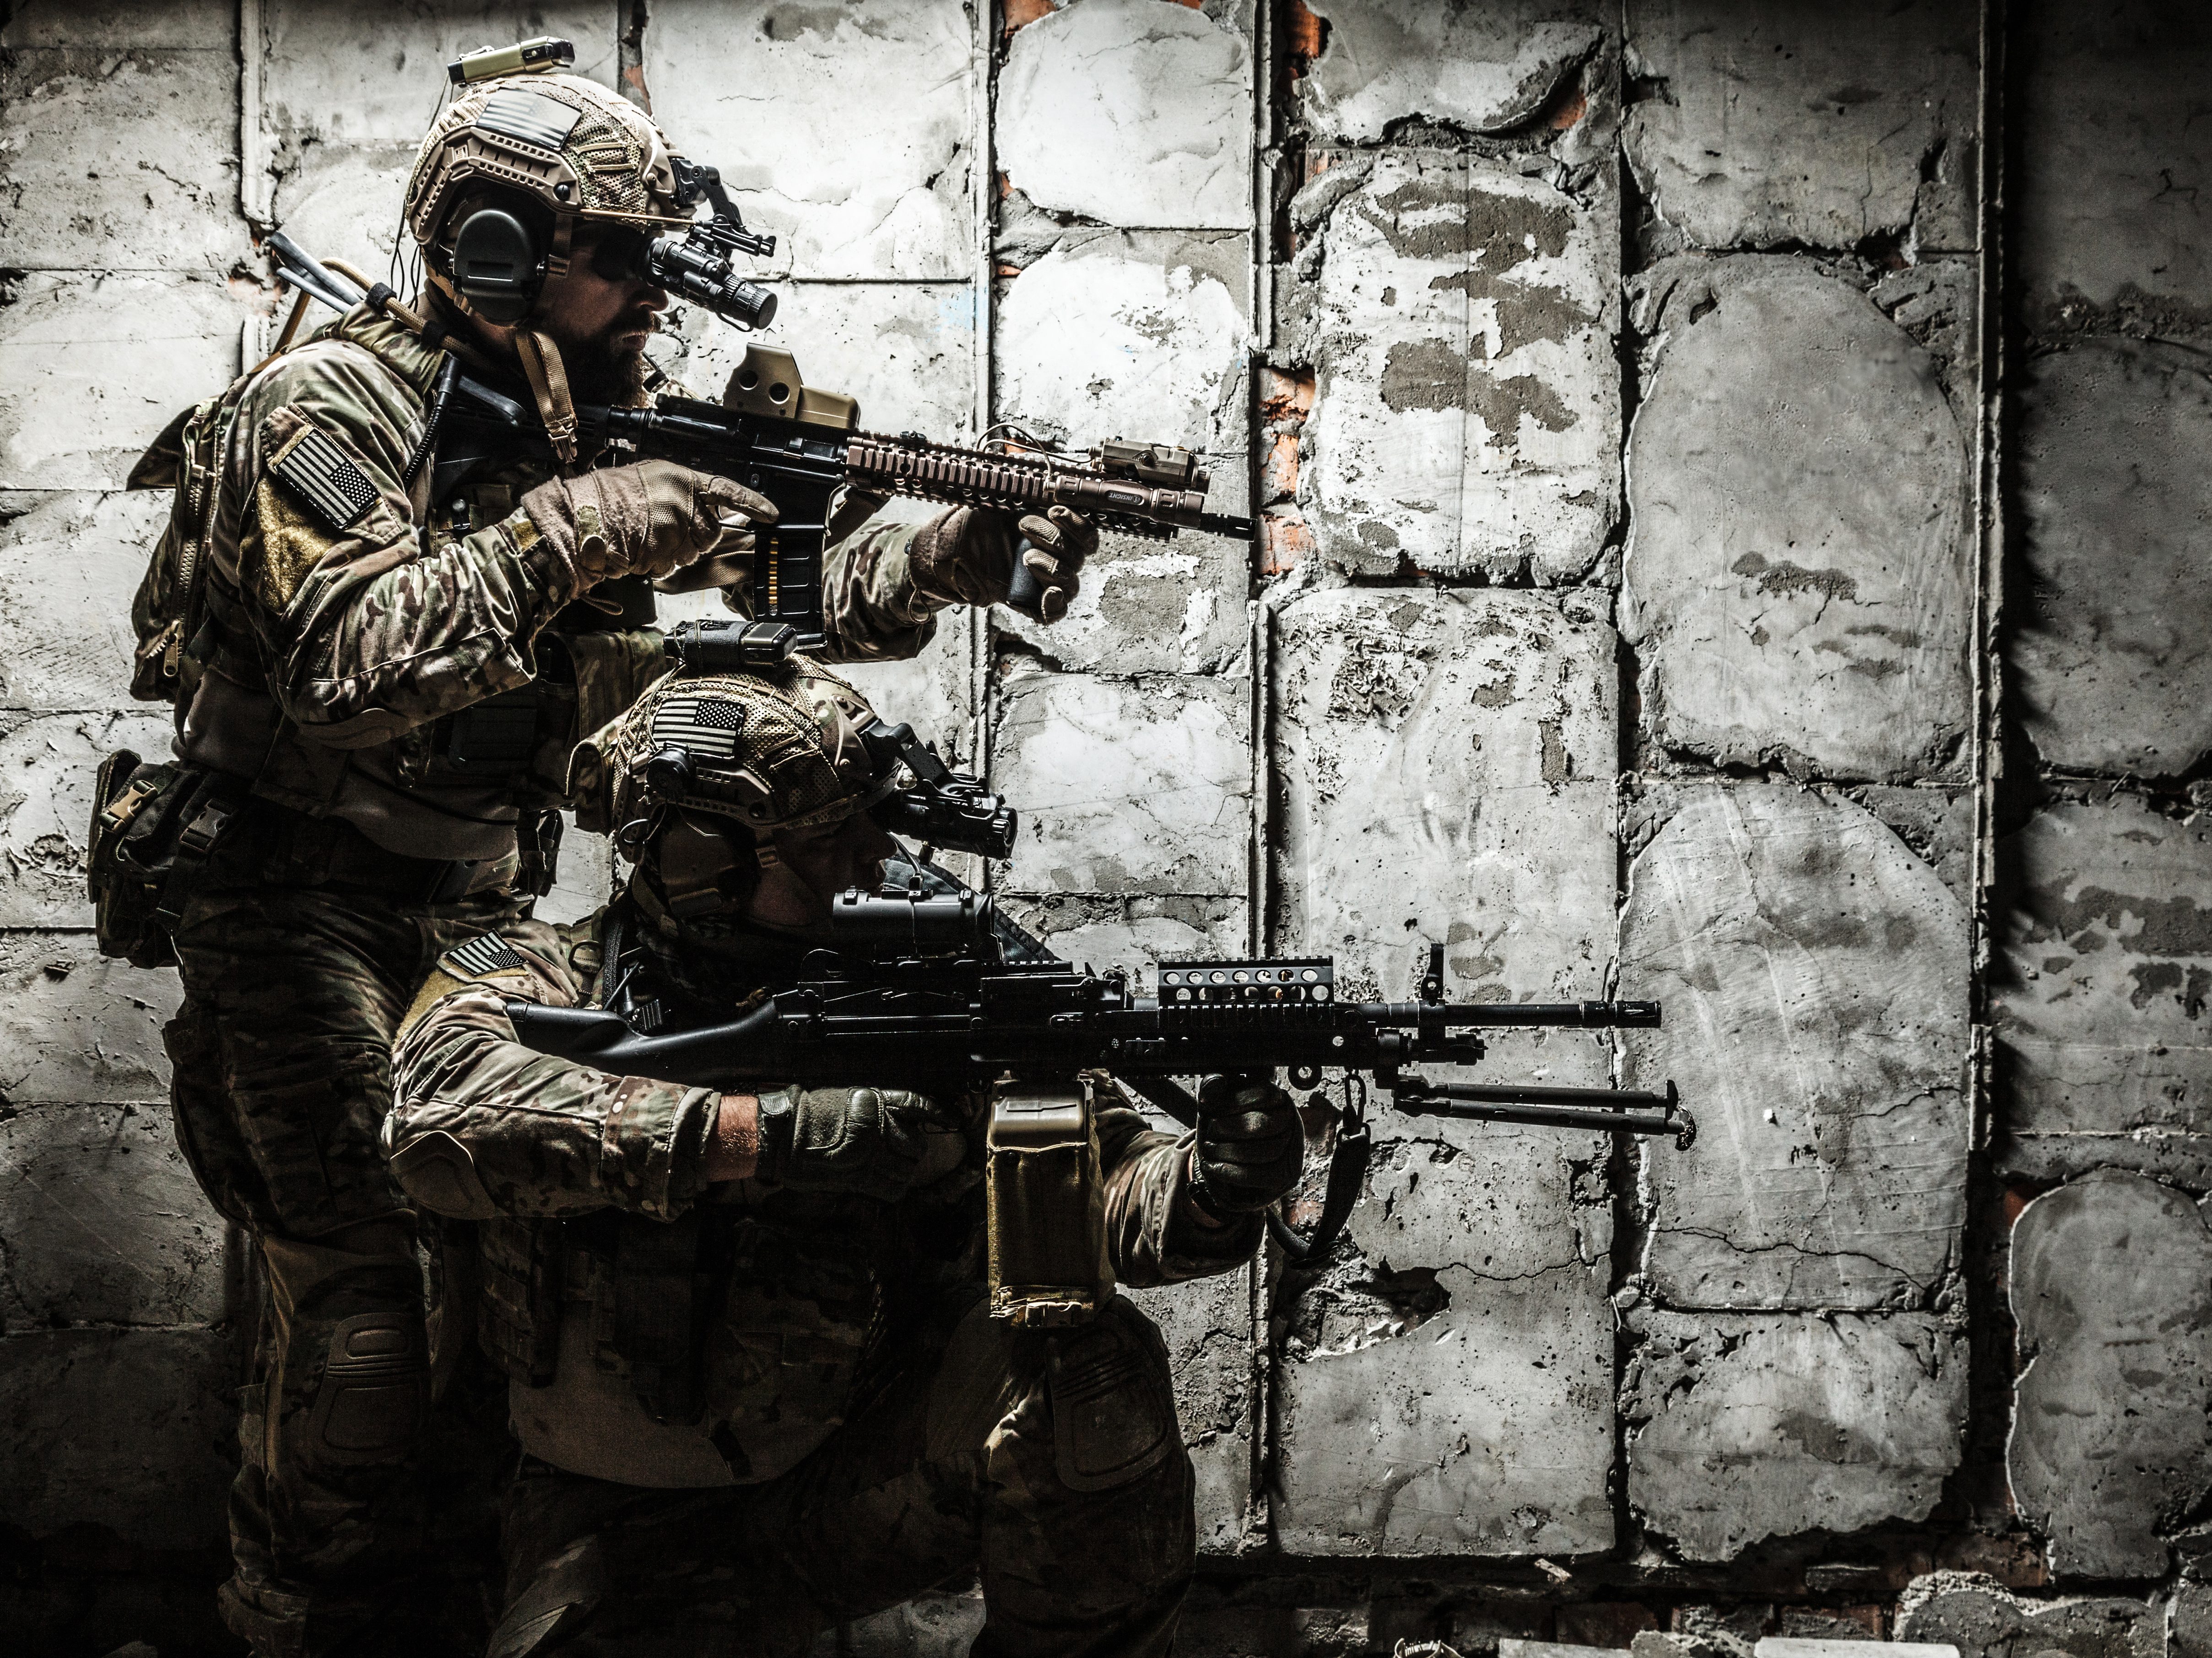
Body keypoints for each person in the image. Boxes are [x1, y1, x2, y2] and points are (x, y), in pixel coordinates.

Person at [140, 55, 1094, 1658]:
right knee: (366, 1310)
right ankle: (292, 1623)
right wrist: (589, 523)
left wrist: (942, 554)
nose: (651, 299)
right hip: (288, 898)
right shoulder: (322, 412)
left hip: (474, 902)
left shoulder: (560, 411)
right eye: (623, 262)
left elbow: (778, 586)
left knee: (496, 1288)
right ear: (495, 247)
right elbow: (350, 663)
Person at [382, 665, 1305, 1656]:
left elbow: (1108, 1187)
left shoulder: (931, 973)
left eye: (872, 821)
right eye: (826, 841)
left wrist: (1210, 1188)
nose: (877, 857)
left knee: (1090, 1363)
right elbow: (437, 1123)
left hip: (864, 1481)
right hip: (617, 1519)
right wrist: (763, 1135)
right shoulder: (538, 977)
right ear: (702, 861)